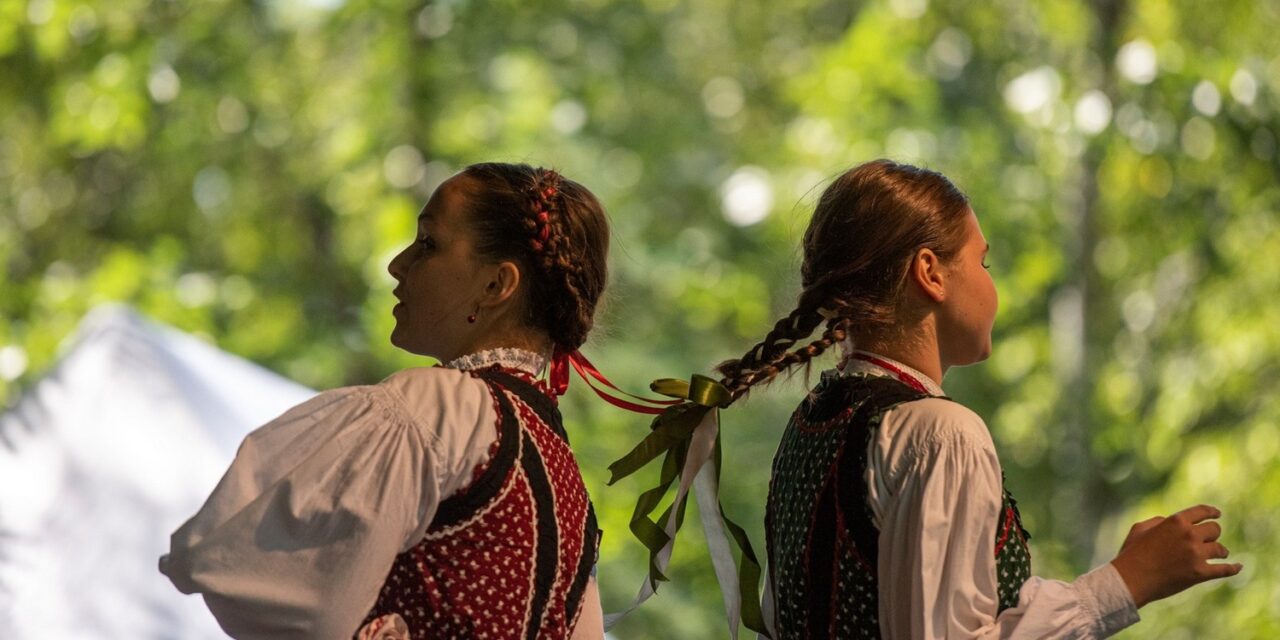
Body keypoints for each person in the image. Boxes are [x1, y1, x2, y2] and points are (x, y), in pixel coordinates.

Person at [710, 159, 1242, 638]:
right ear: (931, 273)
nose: (991, 285)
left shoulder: (814, 420)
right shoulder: (941, 435)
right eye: (983, 262)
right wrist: (1125, 583)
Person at [161, 162, 611, 639]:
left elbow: (238, 564)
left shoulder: (439, 410)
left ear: (496, 285)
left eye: (428, 244)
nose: (399, 264)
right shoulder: (564, 480)